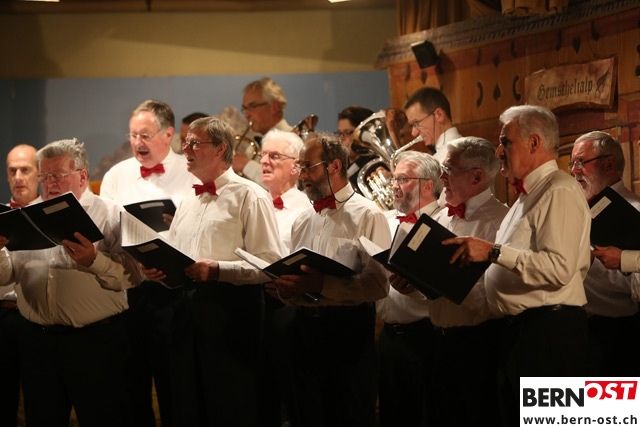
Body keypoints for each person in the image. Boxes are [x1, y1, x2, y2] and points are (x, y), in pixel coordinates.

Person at [443, 105, 591, 427]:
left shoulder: (559, 189)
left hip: (549, 336)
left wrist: (494, 252)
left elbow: (558, 268)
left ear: (534, 143)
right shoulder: (526, 197)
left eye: (505, 142)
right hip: (522, 334)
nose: (499, 151)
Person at [143, 116, 282, 426]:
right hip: (185, 312)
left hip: (231, 314)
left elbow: (269, 264)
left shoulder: (250, 195)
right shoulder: (187, 201)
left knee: (230, 406)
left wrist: (219, 270)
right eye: (185, 143)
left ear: (220, 148)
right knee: (189, 407)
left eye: (195, 144)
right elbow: (178, 256)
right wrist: (160, 271)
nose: (186, 150)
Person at [0, 138, 144, 427]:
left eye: (58, 175)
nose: (49, 183)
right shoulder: (26, 216)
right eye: (44, 176)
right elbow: (7, 276)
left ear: (82, 175)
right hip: (38, 343)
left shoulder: (111, 213)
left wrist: (94, 260)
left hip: (95, 343)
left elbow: (134, 275)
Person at [273, 133, 391, 427]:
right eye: (300, 167)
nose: (302, 176)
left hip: (348, 333)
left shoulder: (368, 214)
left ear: (335, 166)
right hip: (304, 330)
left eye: (308, 167)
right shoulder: (303, 220)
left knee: (351, 415)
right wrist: (286, 288)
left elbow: (378, 285)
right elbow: (298, 278)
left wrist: (322, 285)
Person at [100, 100, 200, 427]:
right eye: (132, 135)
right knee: (131, 386)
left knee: (175, 385)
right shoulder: (116, 176)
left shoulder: (191, 171)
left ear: (168, 134)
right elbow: (108, 233)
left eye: (145, 135)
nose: (137, 143)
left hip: (175, 295)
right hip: (128, 293)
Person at [425, 137, 508, 426]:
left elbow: (501, 294)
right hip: (439, 340)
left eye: (449, 170)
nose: (441, 178)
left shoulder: (501, 221)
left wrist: (449, 285)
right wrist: (413, 285)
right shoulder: (441, 218)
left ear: (477, 176)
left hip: (481, 345)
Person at [375, 150, 442, 427]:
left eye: (403, 179)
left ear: (428, 185)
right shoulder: (386, 219)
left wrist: (415, 288)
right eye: (394, 179)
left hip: (427, 337)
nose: (394, 186)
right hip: (389, 336)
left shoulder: (443, 221)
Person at [568, 131, 640, 376]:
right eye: (572, 163)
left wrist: (592, 264)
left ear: (609, 164)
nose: (574, 170)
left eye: (581, 162)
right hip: (582, 332)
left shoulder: (634, 211)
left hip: (618, 336)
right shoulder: (581, 211)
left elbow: (636, 287)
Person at [259, 129, 312, 426]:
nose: (265, 161)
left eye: (274, 156)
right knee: (262, 393)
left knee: (292, 395)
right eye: (263, 155)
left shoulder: (306, 209)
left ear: (296, 167)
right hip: (255, 307)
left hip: (290, 310)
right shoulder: (254, 202)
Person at [0, 144, 41, 427]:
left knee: (41, 400)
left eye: (25, 170)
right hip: (2, 316)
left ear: (39, 174)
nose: (18, 177)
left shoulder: (52, 218)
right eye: (12, 171)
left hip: (37, 318)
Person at [235, 77, 293, 184]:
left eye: (253, 107)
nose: (247, 115)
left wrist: (246, 165)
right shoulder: (252, 148)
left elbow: (285, 183)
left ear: (274, 107)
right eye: (245, 109)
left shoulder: (293, 140)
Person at [403, 86, 461, 163]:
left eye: (416, 123)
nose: (414, 133)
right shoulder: (446, 152)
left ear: (439, 115)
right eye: (412, 126)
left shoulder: (447, 158)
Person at [337, 105, 375, 193]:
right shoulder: (341, 165)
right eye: (339, 133)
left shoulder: (374, 166)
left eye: (348, 132)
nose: (341, 138)